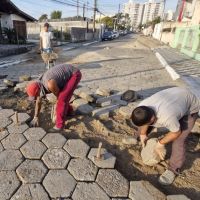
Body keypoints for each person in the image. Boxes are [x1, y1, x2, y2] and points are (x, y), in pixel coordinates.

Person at [131, 87, 200, 185]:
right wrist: (142, 134)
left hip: (189, 107)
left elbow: (176, 132)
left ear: (153, 118)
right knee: (142, 122)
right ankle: (138, 137)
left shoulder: (167, 116)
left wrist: (160, 143)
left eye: (151, 121)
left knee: (179, 141)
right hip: (175, 95)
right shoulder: (142, 106)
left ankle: (173, 169)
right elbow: (145, 122)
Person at [26, 64, 81, 132]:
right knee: (63, 98)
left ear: (38, 91)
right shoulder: (38, 84)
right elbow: (38, 101)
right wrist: (35, 116)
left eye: (36, 95)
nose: (36, 98)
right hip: (63, 76)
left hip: (74, 74)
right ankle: (70, 112)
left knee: (62, 100)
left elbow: (60, 98)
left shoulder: (50, 84)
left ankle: (60, 126)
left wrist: (56, 109)